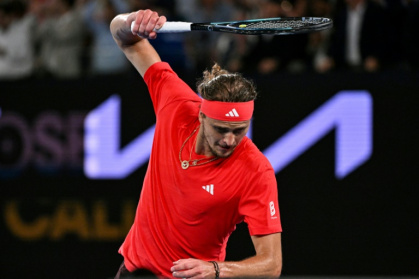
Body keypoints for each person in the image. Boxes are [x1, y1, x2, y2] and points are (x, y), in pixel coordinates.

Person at [110, 8, 282, 279]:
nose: (229, 140)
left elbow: (271, 264)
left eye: (239, 130)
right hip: (135, 272)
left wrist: (217, 269)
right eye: (221, 128)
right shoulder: (176, 104)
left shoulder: (256, 171)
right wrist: (132, 22)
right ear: (202, 115)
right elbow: (122, 36)